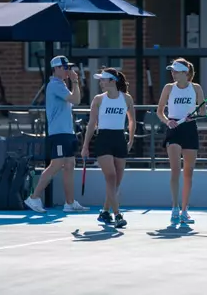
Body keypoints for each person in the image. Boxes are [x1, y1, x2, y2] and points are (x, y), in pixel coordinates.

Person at [24, 55, 89, 213]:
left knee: (69, 165)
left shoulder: (61, 84)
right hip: (59, 133)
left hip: (66, 132)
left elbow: (76, 98)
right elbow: (76, 99)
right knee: (56, 165)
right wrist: (75, 81)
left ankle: (69, 202)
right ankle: (34, 198)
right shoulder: (55, 85)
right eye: (65, 68)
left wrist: (73, 82)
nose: (68, 70)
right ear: (57, 69)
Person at [81, 67, 136, 228]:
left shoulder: (126, 99)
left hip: (119, 138)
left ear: (112, 81)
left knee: (117, 181)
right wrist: (85, 146)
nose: (101, 82)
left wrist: (131, 140)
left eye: (103, 79)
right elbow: (92, 124)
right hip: (103, 139)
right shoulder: (98, 99)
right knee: (110, 177)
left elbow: (132, 121)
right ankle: (117, 215)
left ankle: (105, 211)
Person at [156, 57, 206, 224]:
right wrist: (167, 121)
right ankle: (175, 207)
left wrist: (195, 116)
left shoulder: (196, 88)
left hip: (190, 129)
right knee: (175, 170)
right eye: (172, 71)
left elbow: (204, 111)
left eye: (176, 71)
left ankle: (185, 210)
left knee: (188, 172)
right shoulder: (169, 88)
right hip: (173, 129)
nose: (173, 73)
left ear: (185, 73)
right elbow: (160, 111)